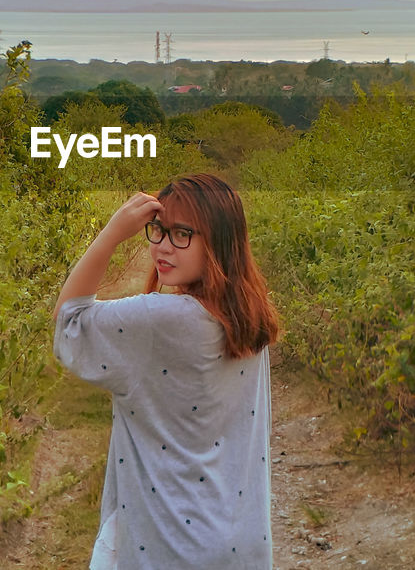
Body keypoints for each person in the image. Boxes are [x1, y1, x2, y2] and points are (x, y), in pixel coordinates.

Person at [53, 173, 281, 569]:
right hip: (241, 543)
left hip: (168, 543)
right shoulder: (246, 318)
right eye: (157, 230)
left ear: (218, 242)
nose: (162, 246)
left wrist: (110, 234)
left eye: (182, 234)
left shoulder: (162, 320)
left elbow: (69, 324)